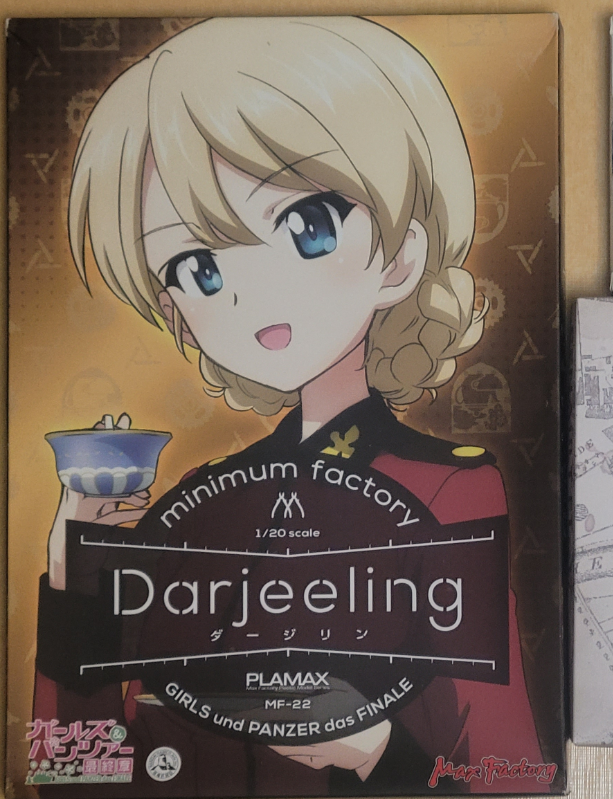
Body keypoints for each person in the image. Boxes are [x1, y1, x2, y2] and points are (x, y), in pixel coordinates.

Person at [35, 16, 548, 795]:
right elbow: (77, 774)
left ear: (399, 256)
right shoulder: (195, 507)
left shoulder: (448, 491)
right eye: (197, 268)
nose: (251, 289)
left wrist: (379, 752)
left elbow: (513, 775)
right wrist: (75, 576)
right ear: (177, 313)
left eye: (307, 226)